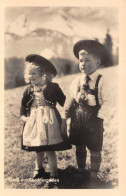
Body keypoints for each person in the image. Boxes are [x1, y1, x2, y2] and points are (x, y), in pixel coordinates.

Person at [61, 40, 111, 187]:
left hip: (94, 122)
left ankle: (93, 176)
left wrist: (99, 119)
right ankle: (81, 171)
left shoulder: (101, 81)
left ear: (97, 62)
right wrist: (64, 119)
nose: (83, 64)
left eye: (87, 60)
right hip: (77, 121)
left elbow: (108, 101)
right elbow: (69, 101)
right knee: (79, 146)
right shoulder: (76, 81)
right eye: (80, 61)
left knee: (95, 148)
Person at [20, 54, 71, 187]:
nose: (30, 76)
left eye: (34, 73)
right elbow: (23, 105)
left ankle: (54, 174)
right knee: (38, 147)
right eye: (29, 73)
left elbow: (64, 102)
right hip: (35, 122)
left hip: (49, 121)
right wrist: (23, 116)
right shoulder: (29, 89)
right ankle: (39, 168)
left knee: (50, 149)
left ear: (43, 74)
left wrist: (71, 108)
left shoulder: (53, 87)